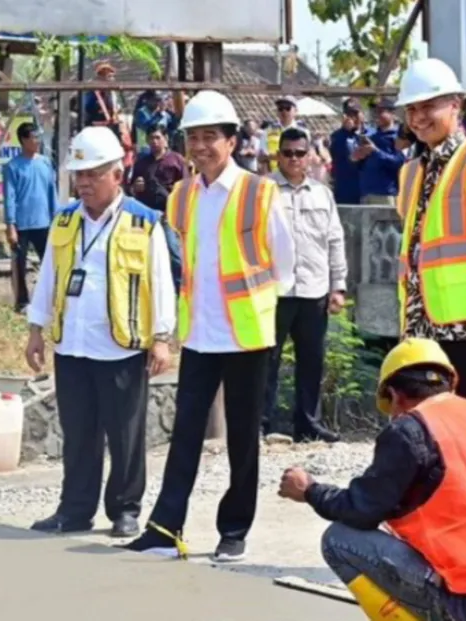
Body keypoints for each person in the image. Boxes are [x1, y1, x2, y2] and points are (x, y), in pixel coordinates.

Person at [124, 90, 295, 562]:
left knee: (243, 438)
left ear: (233, 140)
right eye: (193, 138)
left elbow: (284, 264)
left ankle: (234, 529)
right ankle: (164, 528)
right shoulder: (182, 195)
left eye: (210, 137)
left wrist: (254, 305)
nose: (200, 146)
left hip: (246, 335)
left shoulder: (260, 192)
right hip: (199, 333)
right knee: (185, 435)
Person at [278, 337, 466, 621]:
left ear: (395, 395)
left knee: (339, 540)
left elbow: (360, 509)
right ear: (449, 383)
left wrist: (310, 490)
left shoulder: (410, 429)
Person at [25, 126, 176, 537]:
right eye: (80, 174)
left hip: (120, 345)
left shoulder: (144, 223)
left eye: (93, 173)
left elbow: (161, 282)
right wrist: (35, 330)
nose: (84, 182)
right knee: (77, 434)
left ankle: (125, 510)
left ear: (117, 174)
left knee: (125, 435)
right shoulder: (65, 220)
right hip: (72, 344)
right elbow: (49, 278)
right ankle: (74, 510)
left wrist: (162, 338)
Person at [394, 58, 466, 403]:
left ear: (455, 105)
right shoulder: (412, 171)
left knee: (465, 436)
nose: (418, 117)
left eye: (428, 106)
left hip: (464, 330)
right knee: (423, 435)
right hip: (418, 329)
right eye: (411, 109)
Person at [264, 127, 347, 443]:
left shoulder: (322, 194)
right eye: (288, 153)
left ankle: (308, 425)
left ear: (311, 156)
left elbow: (335, 240)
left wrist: (338, 286)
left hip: (314, 290)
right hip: (275, 291)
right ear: (278, 155)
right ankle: (260, 423)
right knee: (266, 361)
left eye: (300, 153)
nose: (294, 159)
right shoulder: (264, 192)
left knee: (312, 360)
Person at [3, 122, 58, 312]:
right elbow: (9, 197)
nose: (37, 141)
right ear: (24, 140)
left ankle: (51, 298)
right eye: (34, 137)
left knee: (50, 262)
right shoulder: (12, 166)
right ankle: (22, 302)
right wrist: (10, 224)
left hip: (44, 222)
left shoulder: (45, 162)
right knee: (19, 264)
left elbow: (52, 192)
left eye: (38, 136)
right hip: (21, 223)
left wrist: (56, 218)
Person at [129, 126, 188, 293]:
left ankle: (181, 289)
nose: (155, 142)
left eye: (158, 138)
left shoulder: (176, 160)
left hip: (169, 213)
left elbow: (186, 187)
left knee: (173, 253)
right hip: (146, 214)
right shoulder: (142, 163)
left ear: (165, 139)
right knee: (144, 251)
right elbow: (131, 188)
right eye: (151, 138)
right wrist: (136, 187)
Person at [353, 97, 404, 206]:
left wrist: (375, 151)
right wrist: (358, 157)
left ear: (392, 114)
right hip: (366, 192)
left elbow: (399, 163)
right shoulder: (372, 136)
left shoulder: (399, 137)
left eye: (381, 111)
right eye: (375, 112)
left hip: (385, 193)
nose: (376, 115)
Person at [258, 96, 308, 174]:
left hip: (295, 175)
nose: (284, 111)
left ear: (296, 111)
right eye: (280, 109)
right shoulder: (268, 131)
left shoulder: (303, 131)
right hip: (273, 176)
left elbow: (307, 156)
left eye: (288, 108)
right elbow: (261, 156)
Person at [329, 99, 364, 205]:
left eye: (355, 114)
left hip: (365, 189)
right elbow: (336, 154)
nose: (353, 118)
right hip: (345, 188)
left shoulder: (368, 134)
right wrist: (345, 131)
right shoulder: (337, 136)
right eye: (349, 114)